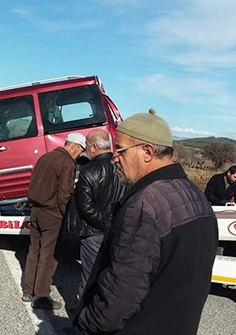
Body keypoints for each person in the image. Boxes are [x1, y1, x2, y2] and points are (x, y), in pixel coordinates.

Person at [74, 108, 219, 334]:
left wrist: (85, 325)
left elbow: (119, 297)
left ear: (147, 152)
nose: (114, 158)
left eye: (120, 150)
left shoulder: (145, 206)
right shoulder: (196, 195)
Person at [23, 132, 86, 310]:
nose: (80, 154)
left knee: (33, 251)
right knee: (48, 256)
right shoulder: (67, 163)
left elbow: (33, 183)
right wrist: (68, 218)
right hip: (52, 215)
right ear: (73, 146)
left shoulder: (45, 157)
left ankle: (28, 290)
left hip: (35, 211)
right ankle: (41, 296)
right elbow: (64, 195)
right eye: (80, 150)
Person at [67, 129, 127, 299]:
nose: (85, 149)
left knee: (89, 277)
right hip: (117, 229)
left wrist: (105, 224)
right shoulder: (122, 167)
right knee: (108, 275)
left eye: (86, 145)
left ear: (93, 147)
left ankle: (83, 316)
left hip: (93, 232)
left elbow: (86, 207)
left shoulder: (89, 170)